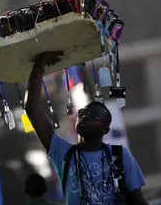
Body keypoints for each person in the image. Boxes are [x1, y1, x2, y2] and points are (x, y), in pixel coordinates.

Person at [25, 52, 148, 205]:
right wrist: (40, 63)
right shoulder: (63, 153)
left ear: (105, 130)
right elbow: (32, 108)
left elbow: (138, 200)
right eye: (82, 113)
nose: (84, 116)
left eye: (93, 116)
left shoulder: (120, 155)